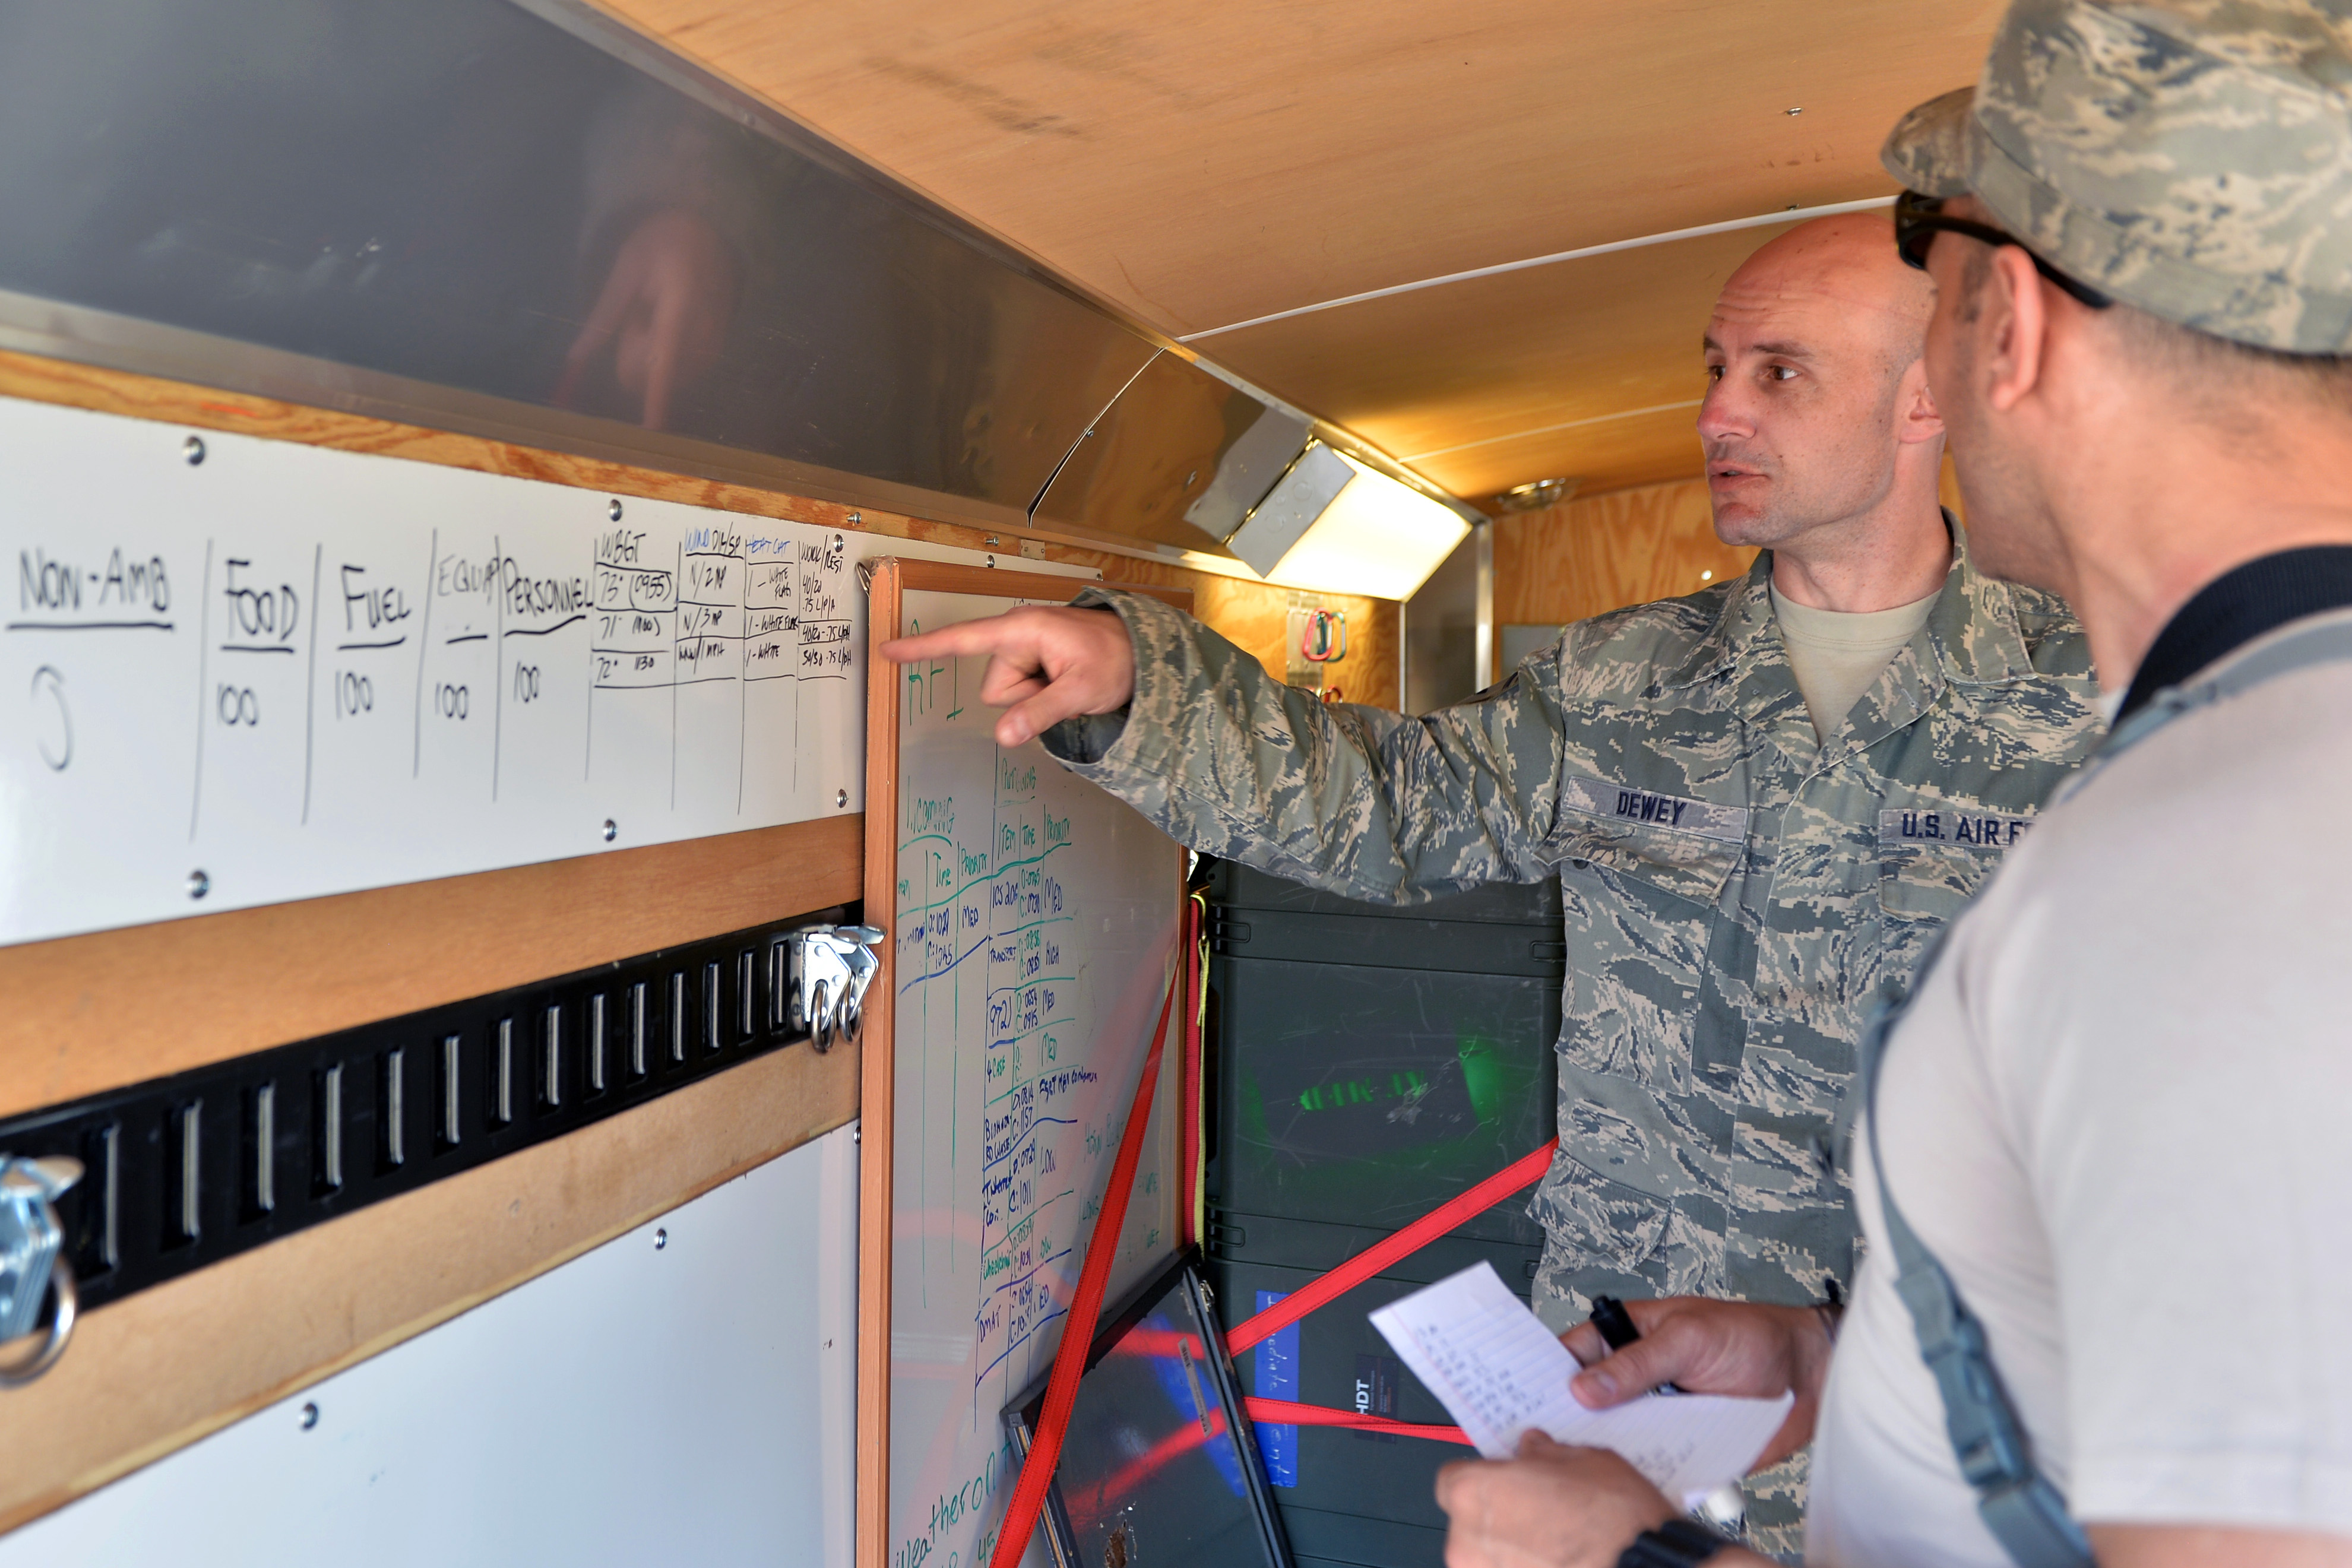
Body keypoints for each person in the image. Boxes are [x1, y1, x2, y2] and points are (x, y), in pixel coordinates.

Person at [881, 213, 2103, 1547]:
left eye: (1778, 373)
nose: (1714, 414)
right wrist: (1137, 687)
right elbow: (1396, 807)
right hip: (1631, 1388)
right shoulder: (1622, 678)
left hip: (1961, 1419)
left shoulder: (2089, 702)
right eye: (1711, 368)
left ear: (1925, 396)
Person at [1428, 2, 2352, 1564]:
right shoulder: (2247, 771)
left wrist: (1631, 1558)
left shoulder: (2234, 864)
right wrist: (1823, 1367)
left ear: (2011, 336)